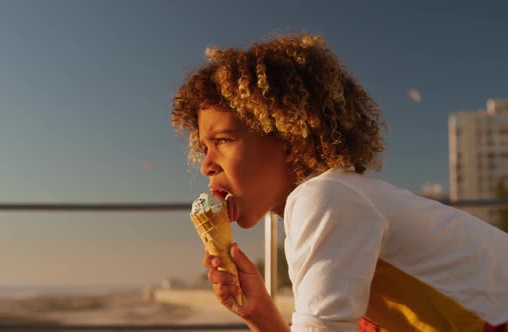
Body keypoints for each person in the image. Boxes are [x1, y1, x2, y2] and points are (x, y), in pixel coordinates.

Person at [170, 33, 508, 332]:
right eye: (203, 148)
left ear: (288, 139)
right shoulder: (337, 202)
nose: (206, 165)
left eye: (224, 140)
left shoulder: (324, 197)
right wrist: (259, 312)